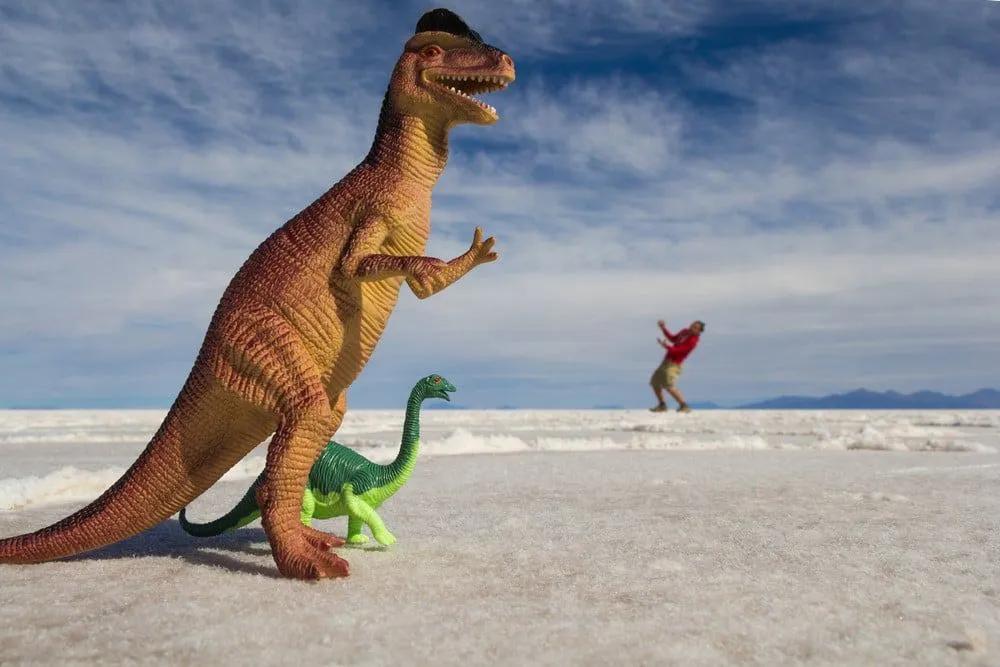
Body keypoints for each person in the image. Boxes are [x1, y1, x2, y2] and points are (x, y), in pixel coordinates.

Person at [649, 319, 704, 413]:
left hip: (674, 365)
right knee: (654, 382)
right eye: (692, 325)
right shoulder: (684, 331)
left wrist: (666, 346)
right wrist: (663, 328)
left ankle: (684, 406)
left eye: (695, 327)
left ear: (699, 331)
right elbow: (673, 338)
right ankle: (662, 405)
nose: (692, 327)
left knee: (669, 385)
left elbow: (679, 351)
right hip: (666, 361)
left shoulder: (693, 341)